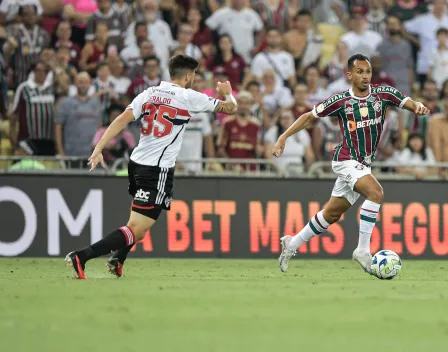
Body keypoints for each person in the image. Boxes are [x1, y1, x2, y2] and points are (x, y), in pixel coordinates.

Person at [65, 55, 238, 279]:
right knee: (138, 229)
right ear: (187, 75)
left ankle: (118, 259)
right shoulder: (188, 97)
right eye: (193, 75)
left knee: (137, 224)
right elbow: (231, 109)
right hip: (157, 170)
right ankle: (82, 256)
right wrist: (227, 93)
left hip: (137, 164)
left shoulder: (149, 93)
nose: (194, 78)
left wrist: (99, 148)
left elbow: (121, 120)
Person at [272, 54, 429, 274]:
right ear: (349, 75)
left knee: (332, 213)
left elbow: (408, 101)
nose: (365, 76)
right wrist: (283, 137)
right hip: (346, 160)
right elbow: (309, 117)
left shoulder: (383, 94)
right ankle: (363, 251)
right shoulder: (341, 101)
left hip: (364, 164)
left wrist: (418, 106)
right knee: (376, 193)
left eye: (368, 72)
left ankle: (292, 244)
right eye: (360, 72)